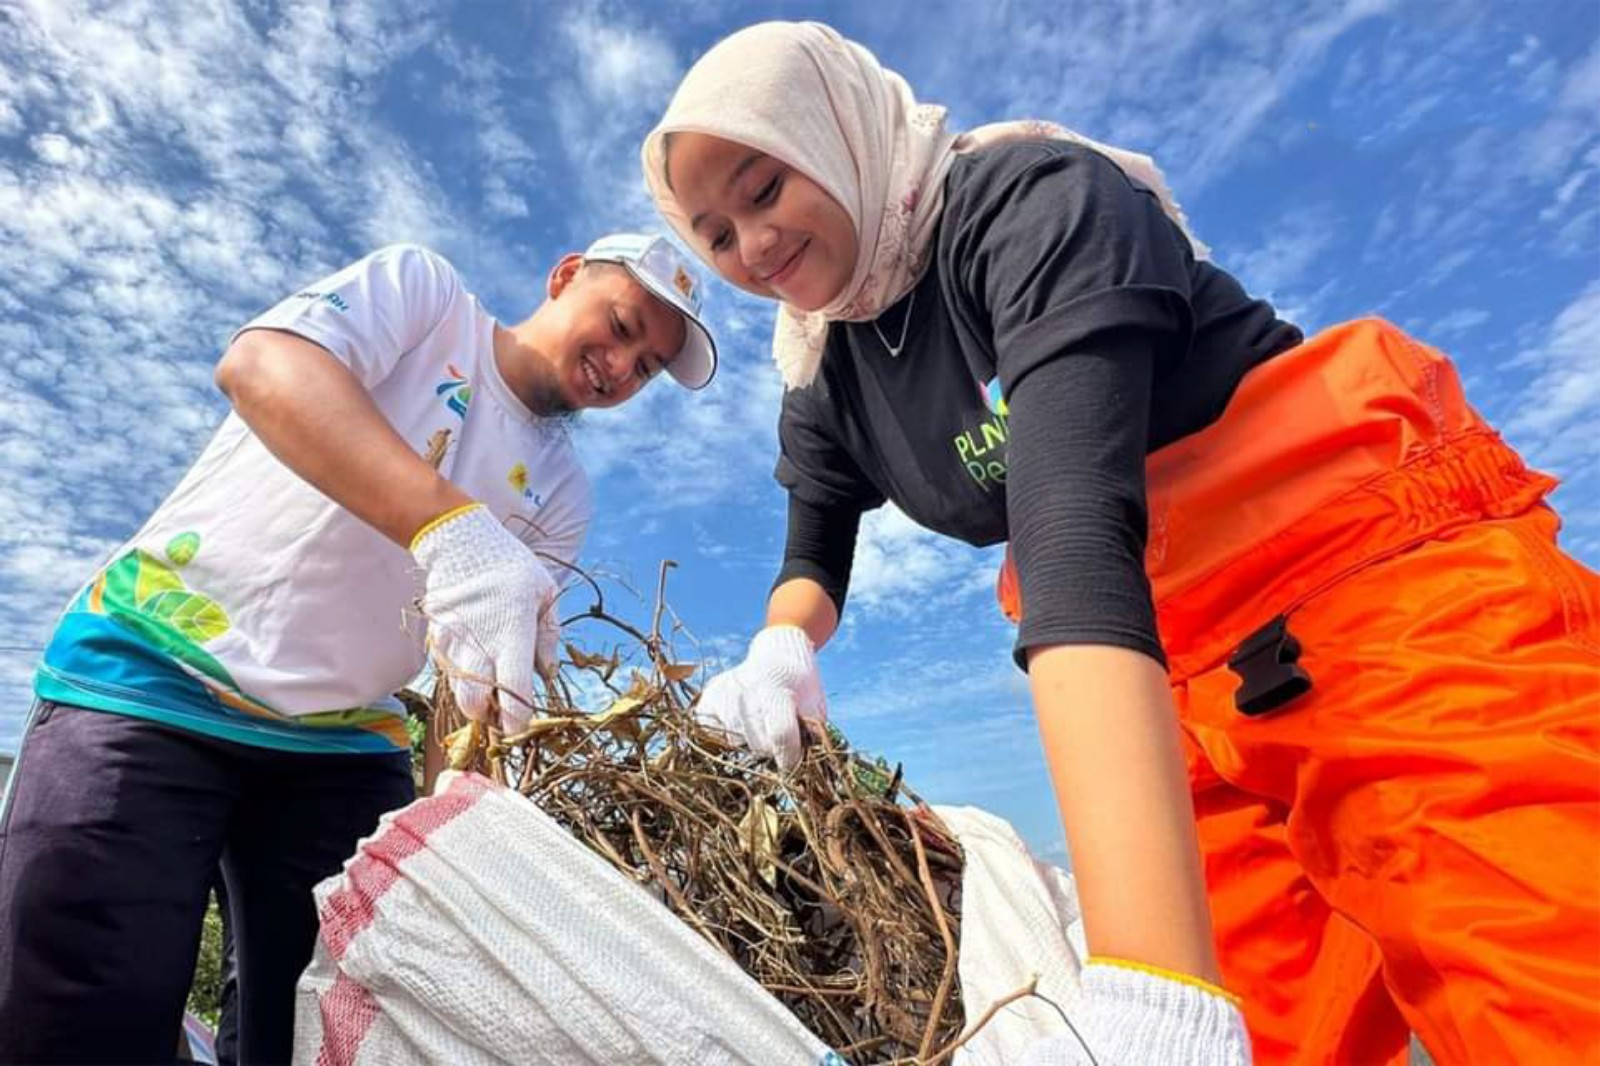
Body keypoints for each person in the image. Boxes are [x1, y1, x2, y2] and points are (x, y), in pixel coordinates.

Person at [641, 21, 1600, 1066]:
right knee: (1274, 1034)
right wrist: (783, 645)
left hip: (1371, 574)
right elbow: (814, 545)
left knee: (1544, 979)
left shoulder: (1030, 202)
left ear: (834, 134)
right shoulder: (825, 372)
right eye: (716, 234)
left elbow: (1072, 524)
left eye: (764, 187)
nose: (754, 246)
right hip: (1170, 670)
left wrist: (1156, 977)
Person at [0, 234, 718, 1064]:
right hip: (154, 674)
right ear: (563, 277)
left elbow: (471, 674)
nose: (623, 367)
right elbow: (263, 368)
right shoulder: (426, 298)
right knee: (80, 1018)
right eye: (623, 325)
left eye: (649, 367)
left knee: (324, 1032)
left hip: (340, 744)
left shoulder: (563, 494)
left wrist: (461, 818)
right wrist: (447, 522)